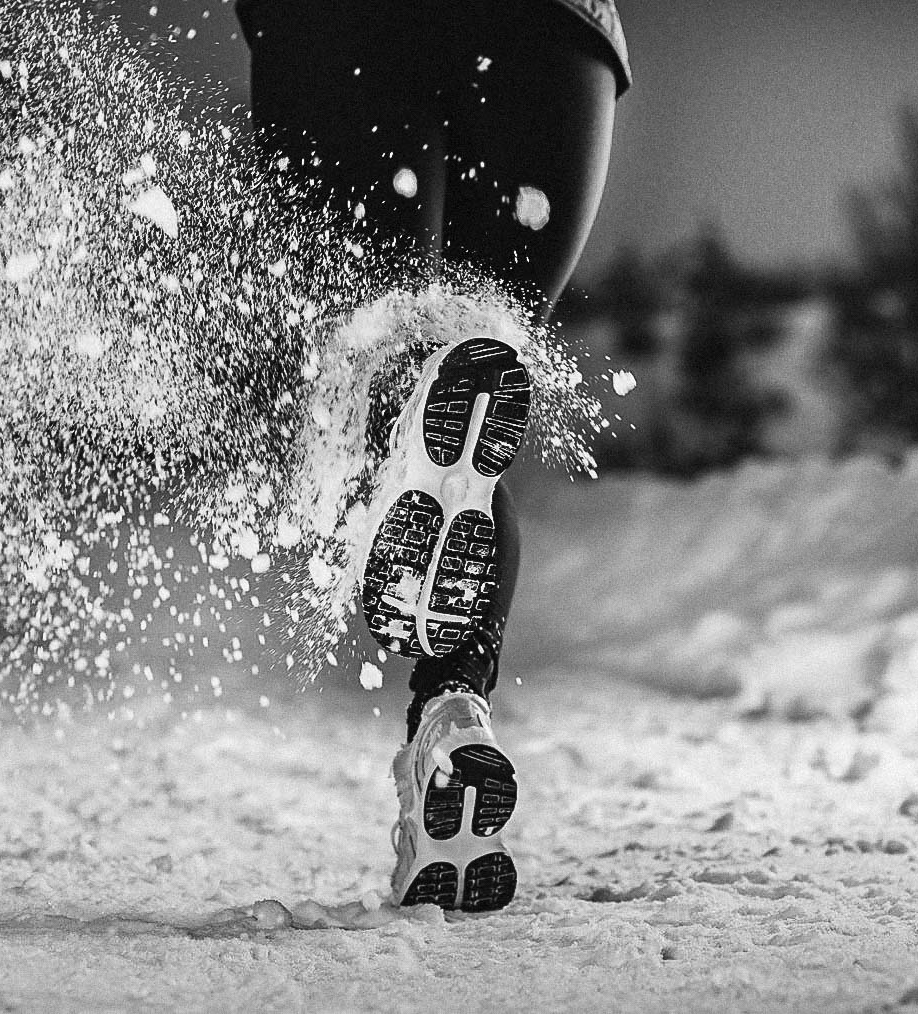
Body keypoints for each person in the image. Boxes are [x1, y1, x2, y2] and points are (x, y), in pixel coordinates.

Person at [236, 0, 630, 912]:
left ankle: (384, 490)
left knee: (393, 353)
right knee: (468, 363)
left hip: (350, 28)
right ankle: (453, 707)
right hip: (553, 32)